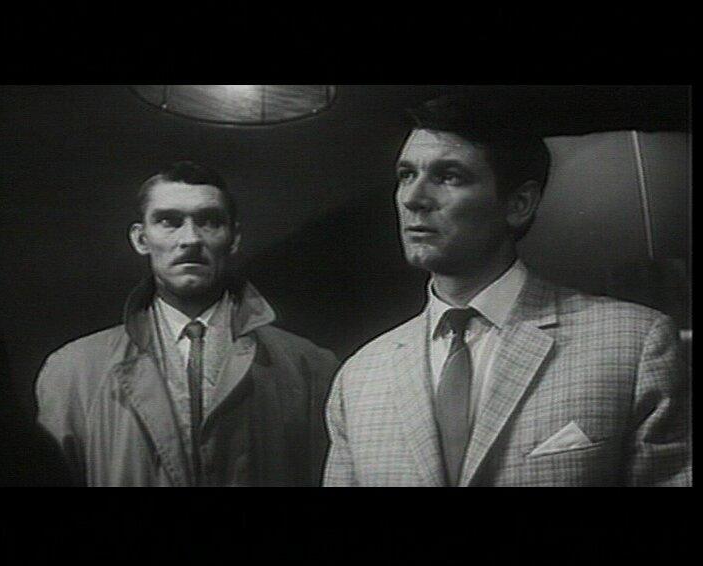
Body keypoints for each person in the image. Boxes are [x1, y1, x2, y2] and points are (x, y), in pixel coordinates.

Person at [323, 93, 691, 487]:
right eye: (406, 174)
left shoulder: (632, 345)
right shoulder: (360, 377)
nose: (413, 198)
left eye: (449, 176)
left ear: (519, 204)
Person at [35, 160, 338, 486]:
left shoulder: (308, 368)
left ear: (233, 238)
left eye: (209, 222)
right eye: (169, 221)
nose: (191, 238)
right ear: (141, 239)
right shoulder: (74, 371)